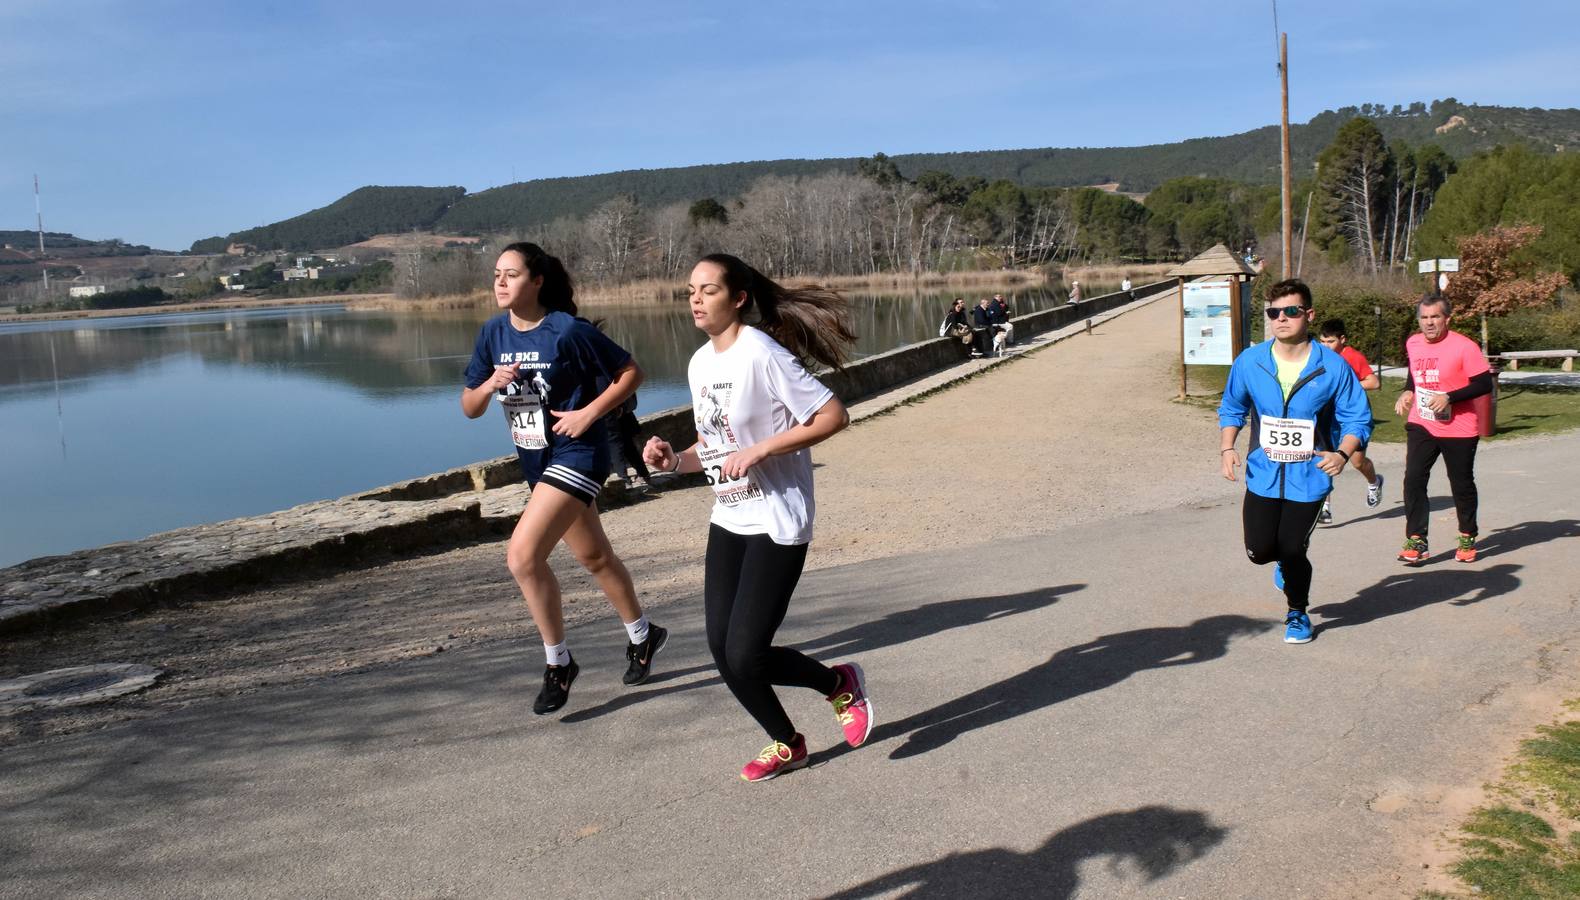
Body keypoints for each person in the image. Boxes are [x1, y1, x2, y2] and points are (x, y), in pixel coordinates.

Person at [642, 253, 874, 782]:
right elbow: (715, 441)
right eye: (690, 291)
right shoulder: (701, 363)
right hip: (729, 516)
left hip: (777, 519)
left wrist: (765, 448)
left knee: (746, 653)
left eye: (708, 290)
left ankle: (837, 684)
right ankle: (786, 742)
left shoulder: (761, 353)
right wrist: (674, 461)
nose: (695, 299)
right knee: (722, 650)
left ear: (738, 298)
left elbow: (833, 415)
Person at [462, 241, 667, 715]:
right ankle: (643, 634)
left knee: (522, 555)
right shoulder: (492, 334)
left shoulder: (566, 331)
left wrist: (587, 413)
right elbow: (469, 407)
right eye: (496, 274)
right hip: (538, 461)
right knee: (595, 556)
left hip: (579, 454)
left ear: (536, 281)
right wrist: (490, 384)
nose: (499, 282)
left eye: (510, 274)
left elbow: (631, 371)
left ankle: (559, 663)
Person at [1218, 279, 1371, 644]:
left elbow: (1358, 418)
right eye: (1274, 312)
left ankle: (1297, 613)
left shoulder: (1332, 367)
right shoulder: (1250, 361)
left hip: (1310, 475)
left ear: (1309, 314)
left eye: (1291, 311)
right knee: (1259, 552)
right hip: (1263, 473)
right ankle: (1285, 567)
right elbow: (1232, 407)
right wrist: (1228, 447)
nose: (1281, 318)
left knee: (1291, 547)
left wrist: (1342, 453)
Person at [1393, 295, 1492, 564]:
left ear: (1447, 318)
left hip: (1458, 427)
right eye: (1424, 318)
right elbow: (1415, 372)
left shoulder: (1465, 347)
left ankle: (1467, 534)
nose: (1429, 323)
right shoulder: (1413, 342)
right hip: (1422, 421)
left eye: (1435, 317)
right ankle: (1416, 539)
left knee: (1460, 483)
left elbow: (1484, 384)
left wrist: (1450, 396)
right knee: (1413, 478)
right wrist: (1407, 391)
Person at [1316, 318, 1385, 523]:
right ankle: (1325, 508)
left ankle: (1374, 482)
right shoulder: (1320, 357)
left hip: (1354, 417)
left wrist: (1348, 386)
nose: (1326, 346)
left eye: (1330, 342)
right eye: (1322, 341)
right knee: (1326, 457)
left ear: (1343, 339)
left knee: (1357, 461)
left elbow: (1374, 382)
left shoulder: (1353, 357)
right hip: (1329, 417)